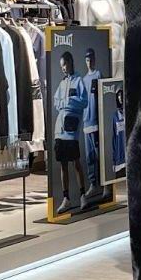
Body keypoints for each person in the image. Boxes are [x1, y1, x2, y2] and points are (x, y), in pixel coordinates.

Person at [53, 51, 88, 214]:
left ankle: (82, 196)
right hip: (59, 129)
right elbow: (56, 102)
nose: (63, 68)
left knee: (76, 162)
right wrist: (64, 103)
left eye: (65, 65)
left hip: (71, 129)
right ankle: (66, 198)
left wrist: (67, 102)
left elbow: (84, 102)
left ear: (70, 63)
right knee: (63, 164)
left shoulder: (79, 81)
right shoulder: (62, 83)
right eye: (61, 66)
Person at [82, 48, 103, 200]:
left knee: (98, 154)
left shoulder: (98, 75)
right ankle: (93, 184)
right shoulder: (83, 80)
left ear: (94, 59)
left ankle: (104, 184)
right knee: (89, 156)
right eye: (87, 60)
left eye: (91, 59)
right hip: (86, 122)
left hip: (96, 121)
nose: (89, 62)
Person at [112, 87, 126, 175]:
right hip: (119, 160)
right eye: (118, 96)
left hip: (131, 158)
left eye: (122, 95)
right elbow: (114, 139)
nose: (120, 98)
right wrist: (114, 160)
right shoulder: (115, 116)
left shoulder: (131, 113)